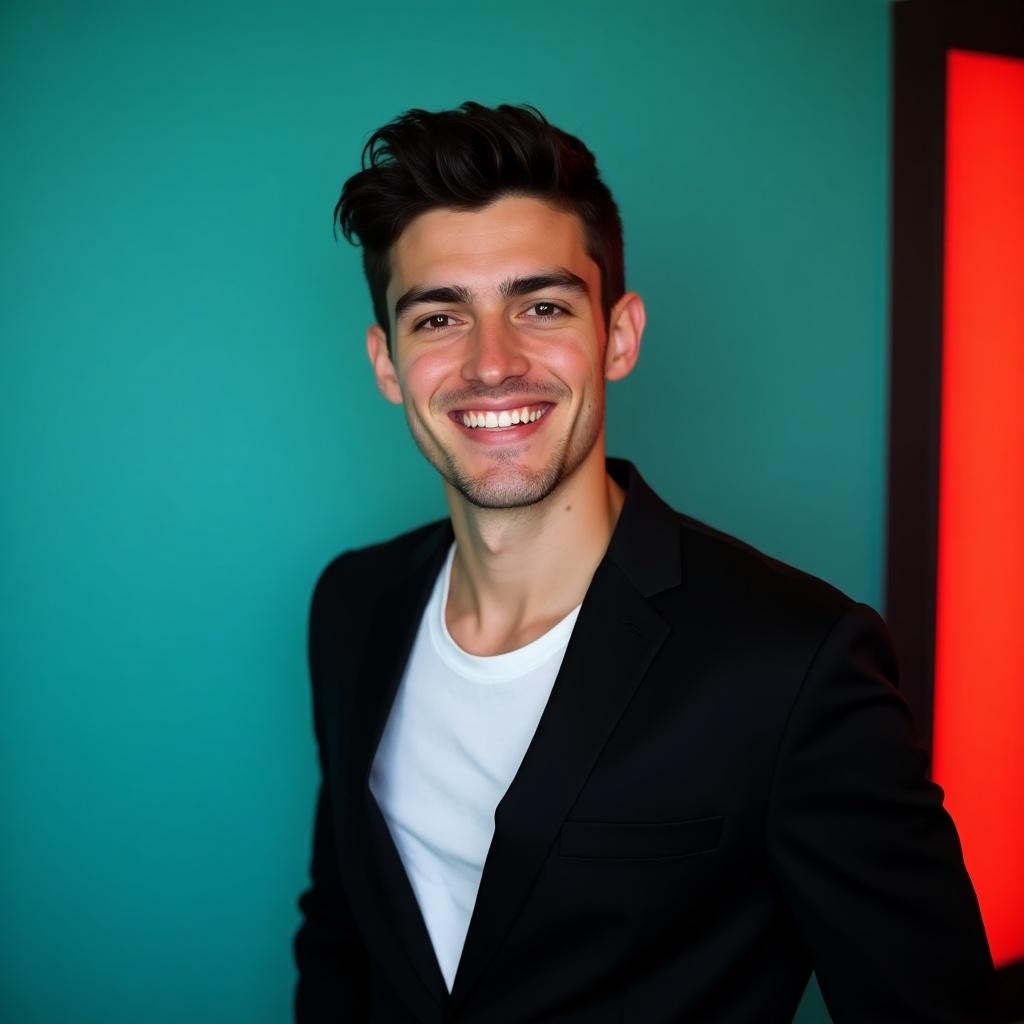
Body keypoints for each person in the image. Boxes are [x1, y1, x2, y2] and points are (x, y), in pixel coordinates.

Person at [293, 102, 994, 1023]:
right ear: (388, 364)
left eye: (541, 306)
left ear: (618, 336)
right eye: (439, 318)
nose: (491, 363)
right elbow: (344, 928)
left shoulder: (795, 664)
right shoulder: (355, 602)